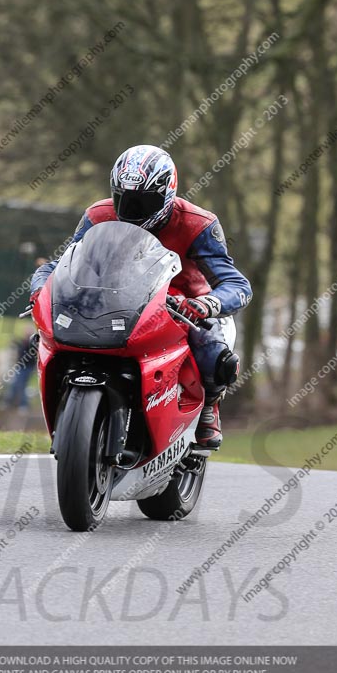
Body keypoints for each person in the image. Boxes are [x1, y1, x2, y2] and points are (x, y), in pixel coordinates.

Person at [29, 145, 252, 449]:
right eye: (125, 199)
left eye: (143, 201)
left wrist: (205, 304)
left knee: (214, 354)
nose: (132, 209)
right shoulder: (98, 214)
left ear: (167, 193)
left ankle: (207, 407)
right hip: (116, 298)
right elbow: (63, 264)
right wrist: (41, 289)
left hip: (183, 307)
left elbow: (236, 283)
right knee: (46, 337)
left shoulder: (198, 224)